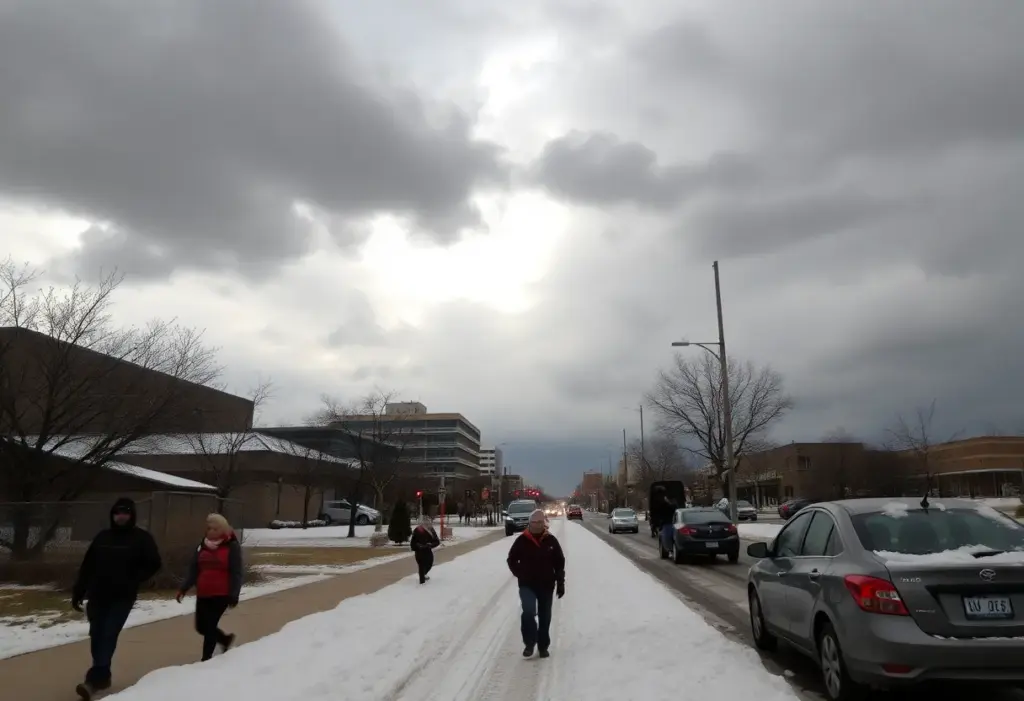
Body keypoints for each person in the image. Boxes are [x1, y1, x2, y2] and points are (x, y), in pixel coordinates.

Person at [71, 497, 162, 700]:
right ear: (113, 515)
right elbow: (87, 566)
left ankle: (93, 679)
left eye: (125, 513)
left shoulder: (141, 538)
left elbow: (154, 562)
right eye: (118, 513)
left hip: (122, 596)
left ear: (131, 515)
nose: (121, 517)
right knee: (97, 634)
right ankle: (103, 675)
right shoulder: (102, 538)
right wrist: (79, 590)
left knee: (109, 633)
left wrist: (135, 578)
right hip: (97, 594)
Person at [176, 513, 243, 661]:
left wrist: (234, 594)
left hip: (222, 593)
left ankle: (206, 659)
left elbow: (236, 572)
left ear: (223, 530)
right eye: (209, 529)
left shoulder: (231, 546)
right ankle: (225, 639)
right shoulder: (202, 546)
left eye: (215, 529)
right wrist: (184, 588)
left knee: (210, 625)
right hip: (204, 592)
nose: (211, 532)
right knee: (201, 626)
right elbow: (194, 568)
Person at [506, 509, 565, 659]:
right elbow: (511, 559)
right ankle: (529, 643)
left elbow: (559, 563)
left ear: (544, 524)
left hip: (546, 585)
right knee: (528, 612)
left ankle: (543, 646)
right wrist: (520, 573)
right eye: (534, 522)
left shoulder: (551, 541)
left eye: (540, 522)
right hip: (527, 585)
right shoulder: (522, 540)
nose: (537, 525)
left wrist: (560, 582)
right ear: (529, 524)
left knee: (545, 617)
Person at [410, 516, 440, 584]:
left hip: (428, 550)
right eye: (424, 522)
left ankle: (423, 573)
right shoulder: (417, 530)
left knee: (429, 564)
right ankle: (422, 582)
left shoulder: (431, 530)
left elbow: (437, 541)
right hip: (419, 551)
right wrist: (416, 547)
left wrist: (430, 545)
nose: (426, 523)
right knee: (421, 565)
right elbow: (413, 542)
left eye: (427, 522)